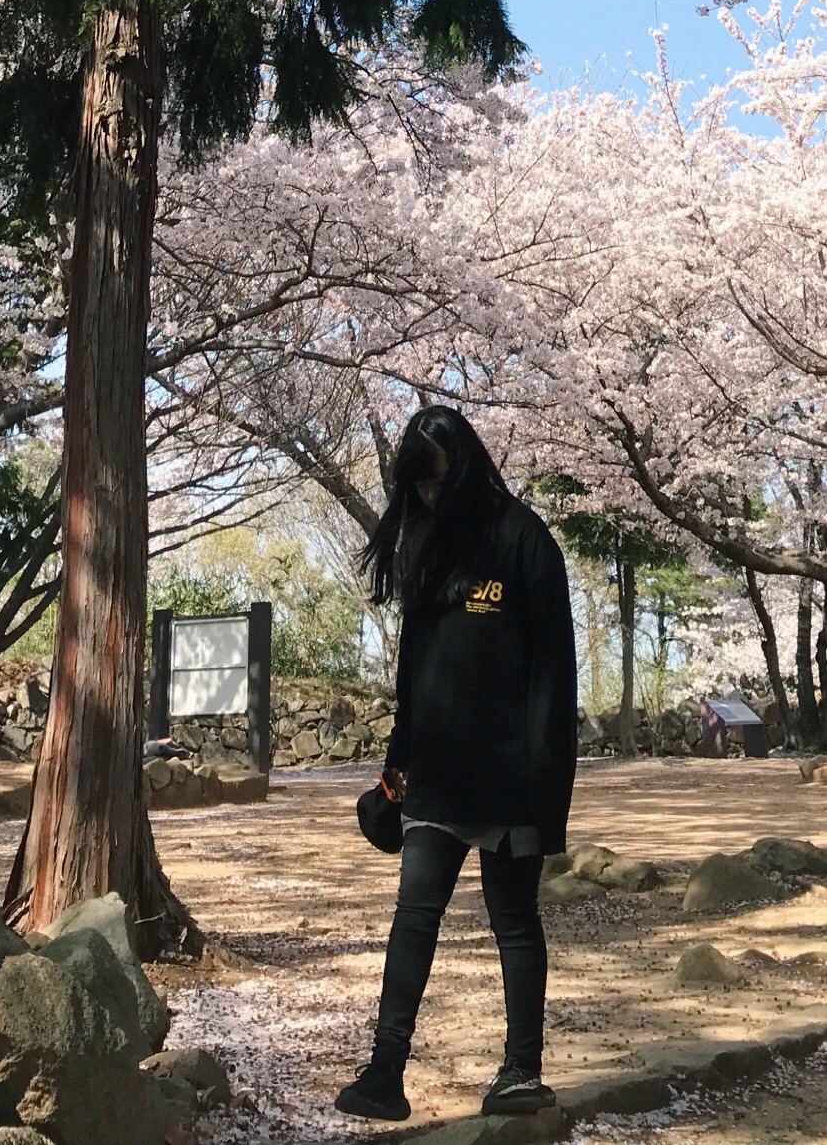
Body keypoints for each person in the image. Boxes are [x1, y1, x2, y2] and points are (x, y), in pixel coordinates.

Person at [335, 405, 578, 1124]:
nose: (428, 495)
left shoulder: (526, 541)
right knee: (414, 917)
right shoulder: (425, 544)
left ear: (465, 466)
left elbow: (554, 681)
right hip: (436, 778)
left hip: (512, 781)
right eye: (417, 487)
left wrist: (548, 798)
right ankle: (385, 1072)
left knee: (515, 921)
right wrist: (393, 776)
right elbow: (413, 678)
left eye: (436, 481)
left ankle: (521, 1070)